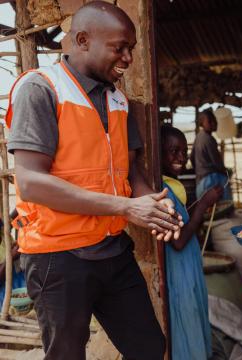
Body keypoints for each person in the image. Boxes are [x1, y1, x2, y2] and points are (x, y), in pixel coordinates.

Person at [5, 2, 182, 359]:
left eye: (131, 48)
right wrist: (126, 207)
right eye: (120, 47)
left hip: (113, 252)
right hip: (58, 257)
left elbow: (132, 174)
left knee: (149, 348)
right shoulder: (41, 90)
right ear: (83, 40)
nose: (129, 58)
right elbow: (32, 183)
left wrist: (155, 207)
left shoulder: (118, 100)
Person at [160, 126, 222, 359]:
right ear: (158, 153)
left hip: (188, 269)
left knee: (194, 315)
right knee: (186, 320)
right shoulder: (161, 191)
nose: (180, 157)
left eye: (184, 152)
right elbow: (177, 241)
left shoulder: (172, 186)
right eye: (173, 151)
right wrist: (203, 205)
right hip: (178, 273)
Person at [190, 109, 232, 201]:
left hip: (201, 181)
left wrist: (199, 171)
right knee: (224, 206)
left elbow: (192, 157)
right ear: (202, 123)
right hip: (212, 180)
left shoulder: (198, 137)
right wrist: (226, 173)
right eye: (210, 121)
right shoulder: (209, 139)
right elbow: (217, 163)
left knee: (206, 210)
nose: (214, 123)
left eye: (214, 120)